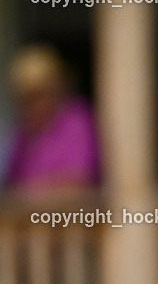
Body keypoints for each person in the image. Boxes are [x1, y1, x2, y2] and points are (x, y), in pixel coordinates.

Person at [2, 44, 101, 195]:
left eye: (38, 94)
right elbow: (11, 182)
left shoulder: (76, 120)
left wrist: (30, 192)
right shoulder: (24, 132)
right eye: (26, 97)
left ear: (56, 88)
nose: (32, 103)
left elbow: (79, 180)